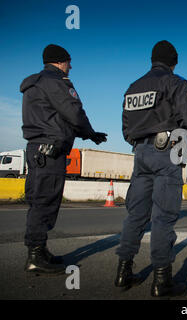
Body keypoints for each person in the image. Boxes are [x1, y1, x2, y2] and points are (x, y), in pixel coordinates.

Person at [115, 40, 187, 297]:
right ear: (173, 62)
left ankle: (123, 272)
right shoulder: (177, 84)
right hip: (166, 153)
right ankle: (161, 281)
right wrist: (183, 151)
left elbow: (125, 128)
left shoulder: (133, 88)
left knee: (135, 215)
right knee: (163, 216)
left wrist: (140, 144)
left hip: (140, 153)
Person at [20, 44, 107, 274]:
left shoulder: (34, 84)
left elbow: (56, 117)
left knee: (38, 199)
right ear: (59, 62)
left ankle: (40, 250)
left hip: (36, 148)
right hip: (50, 150)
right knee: (45, 201)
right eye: (68, 61)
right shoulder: (56, 82)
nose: (71, 66)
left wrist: (85, 134)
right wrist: (90, 133)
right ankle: (36, 255)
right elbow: (73, 112)